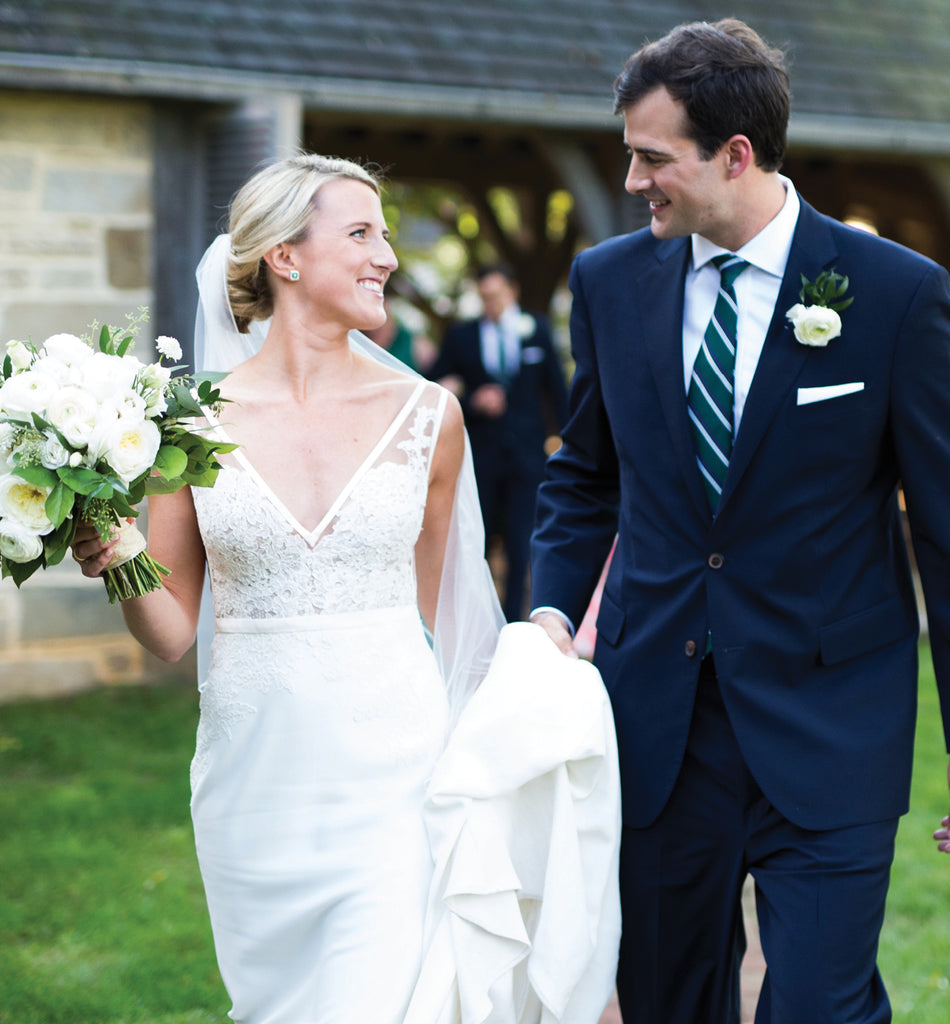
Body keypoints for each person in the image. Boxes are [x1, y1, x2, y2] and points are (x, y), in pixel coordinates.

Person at [529, 19, 950, 1024]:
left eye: (652, 157)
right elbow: (584, 478)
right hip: (655, 717)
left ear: (734, 156)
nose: (632, 181)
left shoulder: (891, 295)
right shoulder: (608, 283)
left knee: (819, 1007)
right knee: (665, 1002)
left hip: (832, 718)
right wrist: (544, 616)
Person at [72, 154, 620, 1024]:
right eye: (361, 233)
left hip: (393, 780)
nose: (388, 257)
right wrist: (122, 554)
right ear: (285, 258)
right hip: (254, 786)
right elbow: (172, 632)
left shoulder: (427, 420)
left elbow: (452, 611)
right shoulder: (184, 421)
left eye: (387, 235)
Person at [431, 263, 569, 620]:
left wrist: (569, 443)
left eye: (495, 296)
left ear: (512, 291)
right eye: (483, 297)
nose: (489, 304)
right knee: (480, 535)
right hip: (482, 454)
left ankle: (512, 622)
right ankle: (476, 617)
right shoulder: (462, 335)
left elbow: (555, 389)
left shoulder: (535, 329)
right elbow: (435, 384)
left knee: (522, 539)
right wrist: (473, 397)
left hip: (526, 454)